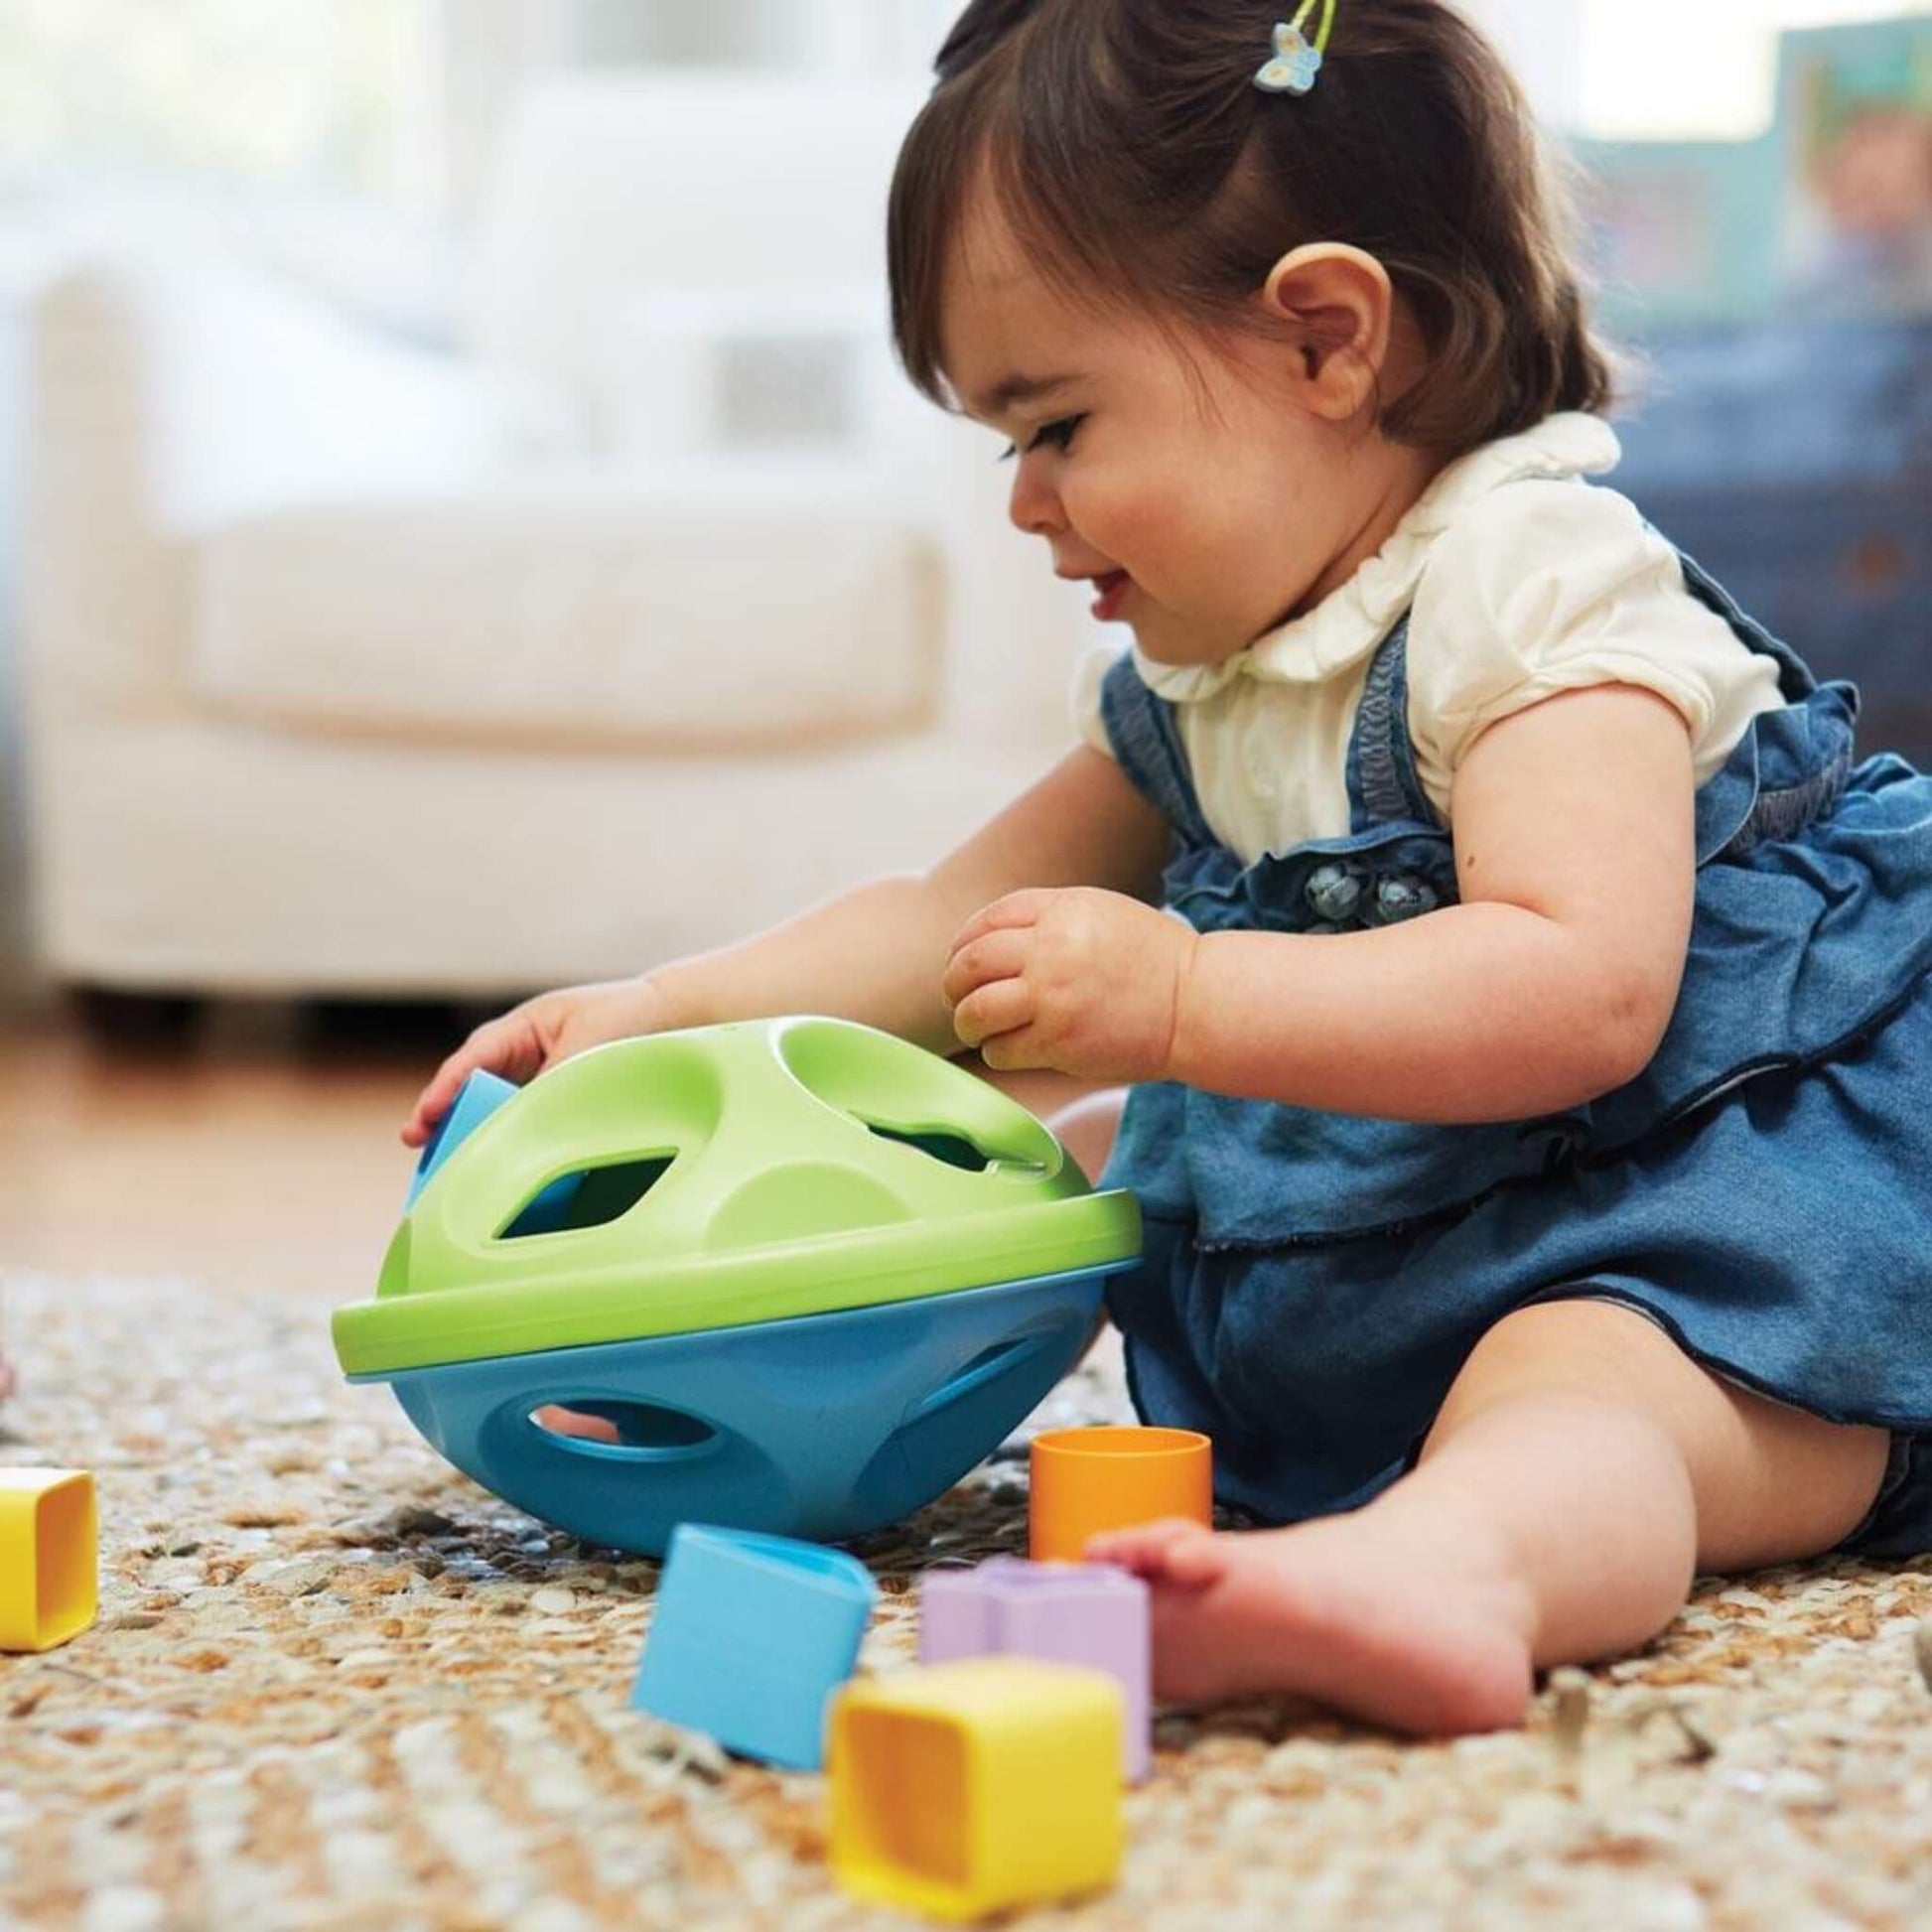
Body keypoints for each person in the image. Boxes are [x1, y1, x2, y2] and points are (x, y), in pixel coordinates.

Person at [404, 0, 1932, 1736]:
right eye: (1003, 440)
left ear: (1326, 341)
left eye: (1054, 422)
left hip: (1714, 1240)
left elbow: (1581, 987)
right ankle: (1348, 1514)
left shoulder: (1535, 584)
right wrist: (664, 1015)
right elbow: (938, 929)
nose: (1023, 501)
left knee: (1586, 1394)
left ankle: (1446, 1574)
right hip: (1408, 1253)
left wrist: (1184, 994)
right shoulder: (1200, 681)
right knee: (1073, 1185)